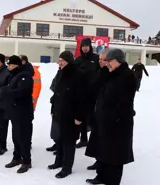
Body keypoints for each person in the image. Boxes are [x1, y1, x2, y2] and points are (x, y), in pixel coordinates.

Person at [86, 48, 136, 185]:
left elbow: (124, 103)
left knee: (114, 156)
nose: (107, 63)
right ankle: (101, 176)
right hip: (103, 120)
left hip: (117, 124)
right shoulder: (111, 73)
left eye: (109, 61)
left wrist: (114, 119)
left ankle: (112, 181)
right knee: (102, 151)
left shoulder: (127, 76)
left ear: (118, 60)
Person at [49, 51, 86, 179]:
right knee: (59, 139)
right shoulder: (60, 72)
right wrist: (53, 107)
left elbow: (82, 98)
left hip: (71, 114)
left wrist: (79, 117)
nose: (59, 63)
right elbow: (56, 92)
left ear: (69, 61)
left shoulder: (78, 74)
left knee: (69, 142)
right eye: (59, 60)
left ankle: (67, 167)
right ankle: (58, 162)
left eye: (62, 60)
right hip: (59, 112)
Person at [0, 55, 33, 173]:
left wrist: (5, 92)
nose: (8, 66)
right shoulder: (12, 76)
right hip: (15, 113)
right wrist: (1, 91)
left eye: (10, 64)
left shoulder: (25, 76)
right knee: (16, 137)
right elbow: (9, 88)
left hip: (24, 113)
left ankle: (26, 161)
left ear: (16, 65)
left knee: (24, 138)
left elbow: (22, 92)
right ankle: (17, 157)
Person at [85, 49, 110, 171]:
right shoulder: (99, 71)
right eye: (99, 59)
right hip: (95, 109)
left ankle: (102, 162)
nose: (100, 62)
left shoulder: (111, 74)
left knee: (104, 140)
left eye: (103, 60)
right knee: (96, 138)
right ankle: (98, 160)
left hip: (105, 112)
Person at [74, 37, 100, 148]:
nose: (85, 48)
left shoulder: (96, 58)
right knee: (82, 117)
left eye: (87, 46)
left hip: (94, 93)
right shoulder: (78, 60)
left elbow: (101, 72)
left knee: (94, 118)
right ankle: (83, 139)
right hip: (81, 94)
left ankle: (95, 141)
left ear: (90, 47)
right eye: (83, 46)